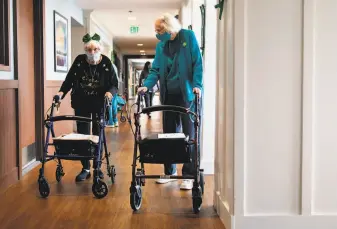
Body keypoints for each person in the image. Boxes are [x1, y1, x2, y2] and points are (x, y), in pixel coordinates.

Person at [137, 13, 203, 190]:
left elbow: (197, 62)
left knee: (189, 135)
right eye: (156, 30)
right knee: (169, 133)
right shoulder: (161, 46)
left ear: (169, 28)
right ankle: (170, 171)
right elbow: (156, 70)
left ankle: (189, 175)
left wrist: (198, 85)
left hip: (187, 94)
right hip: (169, 94)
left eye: (159, 29)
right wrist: (147, 86)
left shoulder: (187, 37)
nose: (157, 33)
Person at [56, 33, 118, 182]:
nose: (92, 53)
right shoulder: (79, 61)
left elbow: (114, 84)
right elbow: (69, 80)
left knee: (98, 134)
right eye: (89, 50)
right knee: (83, 135)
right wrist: (61, 93)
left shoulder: (106, 63)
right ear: (85, 50)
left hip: (99, 103)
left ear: (100, 49)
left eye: (95, 49)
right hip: (81, 103)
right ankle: (85, 168)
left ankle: (97, 167)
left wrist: (110, 92)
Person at [107, 61, 119, 127]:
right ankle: (115, 121)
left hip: (109, 89)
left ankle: (110, 122)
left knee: (109, 105)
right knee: (114, 105)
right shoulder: (114, 66)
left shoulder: (108, 66)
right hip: (115, 88)